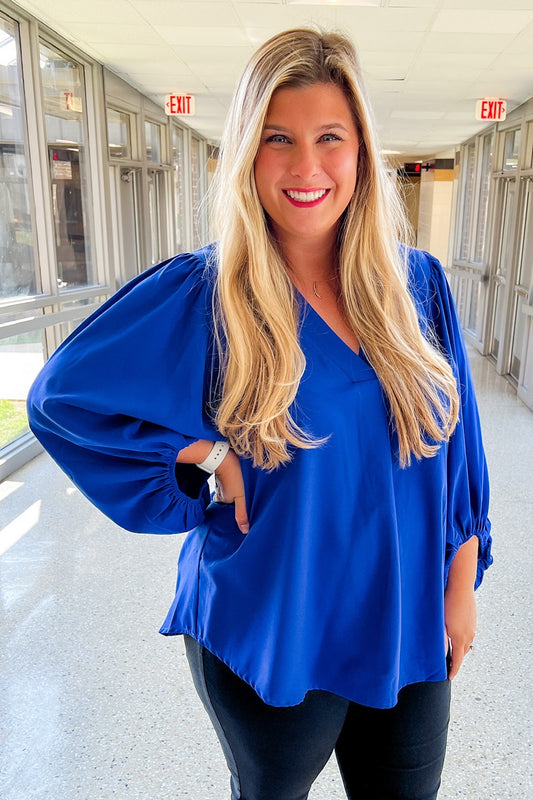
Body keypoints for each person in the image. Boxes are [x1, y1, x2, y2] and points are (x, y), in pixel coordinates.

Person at [27, 28, 492, 800]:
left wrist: (461, 581)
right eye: (278, 139)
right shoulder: (205, 294)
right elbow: (62, 400)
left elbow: (461, 449)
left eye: (329, 138)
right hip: (272, 617)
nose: (305, 167)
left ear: (361, 152)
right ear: (247, 153)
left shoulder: (417, 288)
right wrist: (203, 455)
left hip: (404, 615)